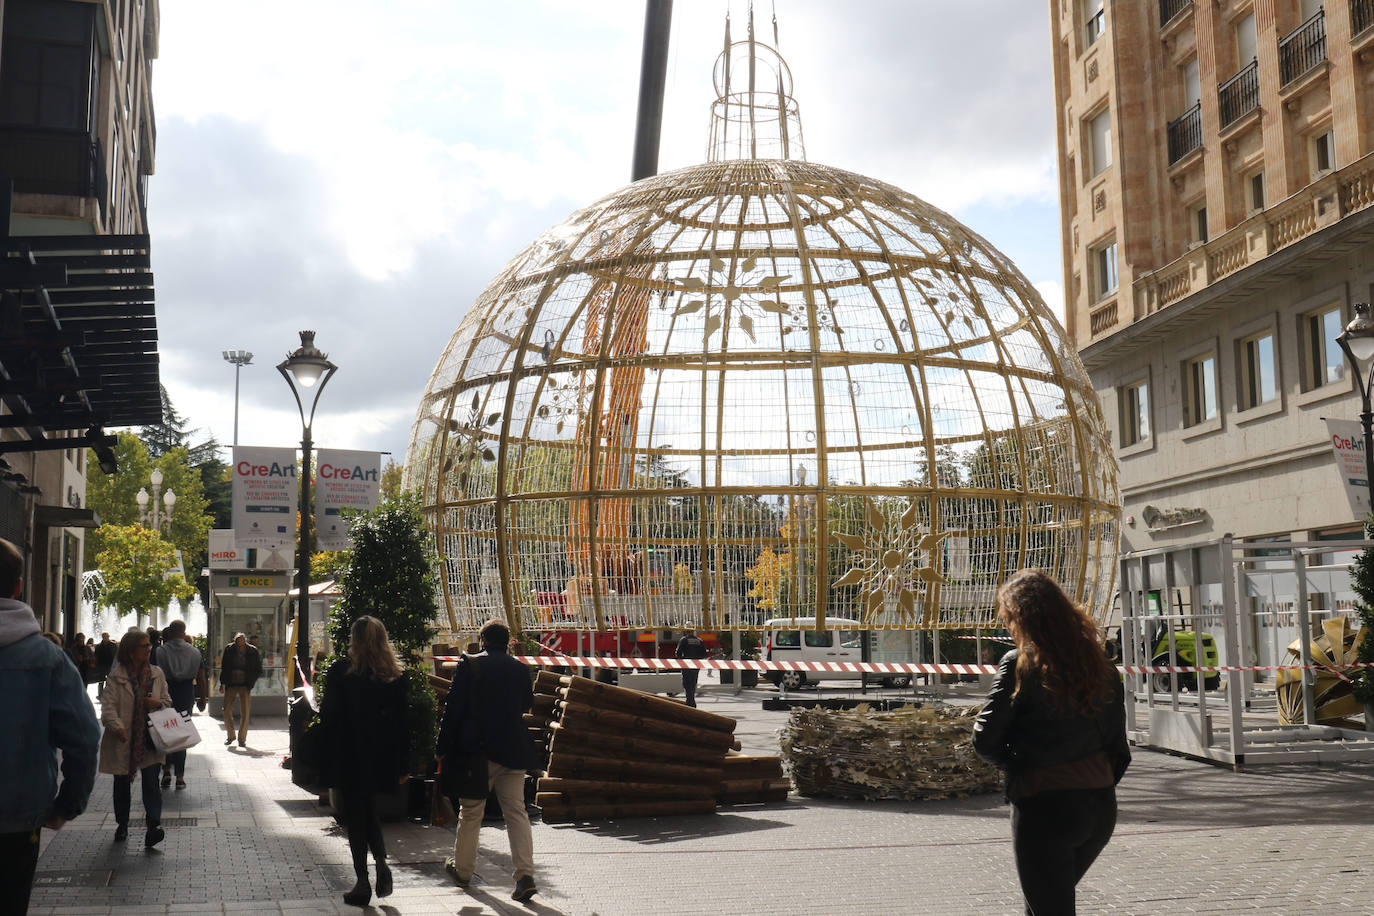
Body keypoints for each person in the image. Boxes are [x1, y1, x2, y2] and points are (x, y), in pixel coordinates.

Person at [972, 569, 1130, 916]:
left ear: (1020, 618)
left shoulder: (1020, 663)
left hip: (1044, 807)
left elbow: (984, 739)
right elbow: (1119, 746)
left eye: (1008, 619)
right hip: (1099, 807)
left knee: (1048, 907)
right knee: (1045, 905)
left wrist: (1019, 766)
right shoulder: (1102, 664)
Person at [0, 537, 101, 914]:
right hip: (18, 817)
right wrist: (66, 804)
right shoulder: (47, 658)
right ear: (18, 587)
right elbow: (84, 739)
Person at [436, 618, 537, 903]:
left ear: (482, 640)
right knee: (516, 811)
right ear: (507, 643)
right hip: (513, 750)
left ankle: (464, 870)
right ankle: (525, 876)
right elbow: (525, 704)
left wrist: (442, 747)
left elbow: (453, 709)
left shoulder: (469, 664)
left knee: (471, 811)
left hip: (478, 752)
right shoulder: (519, 668)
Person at [319, 617, 410, 907]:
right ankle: (381, 863)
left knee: (356, 816)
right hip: (382, 756)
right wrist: (404, 764)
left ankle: (362, 881)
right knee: (368, 809)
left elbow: (329, 714)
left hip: (350, 754)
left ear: (353, 640)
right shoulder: (394, 676)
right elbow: (403, 723)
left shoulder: (341, 671)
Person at [99, 628, 174, 847]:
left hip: (150, 737)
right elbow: (108, 707)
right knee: (122, 782)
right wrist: (117, 727)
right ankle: (122, 824)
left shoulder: (156, 673)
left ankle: (154, 826)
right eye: (144, 646)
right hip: (124, 738)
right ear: (131, 651)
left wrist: (158, 703)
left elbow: (168, 701)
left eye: (149, 646)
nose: (149, 649)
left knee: (151, 782)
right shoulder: (117, 676)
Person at [153, 621, 207, 790]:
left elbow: (152, 673)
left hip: (165, 692)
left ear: (170, 632)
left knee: (166, 732)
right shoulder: (195, 652)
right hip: (186, 693)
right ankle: (181, 776)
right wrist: (202, 698)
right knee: (182, 734)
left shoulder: (160, 651)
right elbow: (201, 677)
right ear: (184, 632)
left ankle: (166, 769)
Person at [219, 632, 262, 747]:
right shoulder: (229, 649)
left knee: (245, 711)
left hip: (245, 684)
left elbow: (258, 668)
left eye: (242, 642)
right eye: (237, 642)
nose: (240, 645)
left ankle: (242, 738)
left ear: (245, 641)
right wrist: (222, 683)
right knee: (226, 710)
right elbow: (224, 666)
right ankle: (231, 735)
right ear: (235, 641)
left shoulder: (252, 651)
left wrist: (251, 682)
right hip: (231, 684)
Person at [675, 626, 708, 707]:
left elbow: (678, 653)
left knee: (687, 683)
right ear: (693, 631)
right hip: (696, 666)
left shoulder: (684, 640)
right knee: (693, 683)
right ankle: (691, 700)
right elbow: (704, 654)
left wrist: (682, 660)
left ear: (686, 631)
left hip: (686, 666)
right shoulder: (699, 640)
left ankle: (690, 702)